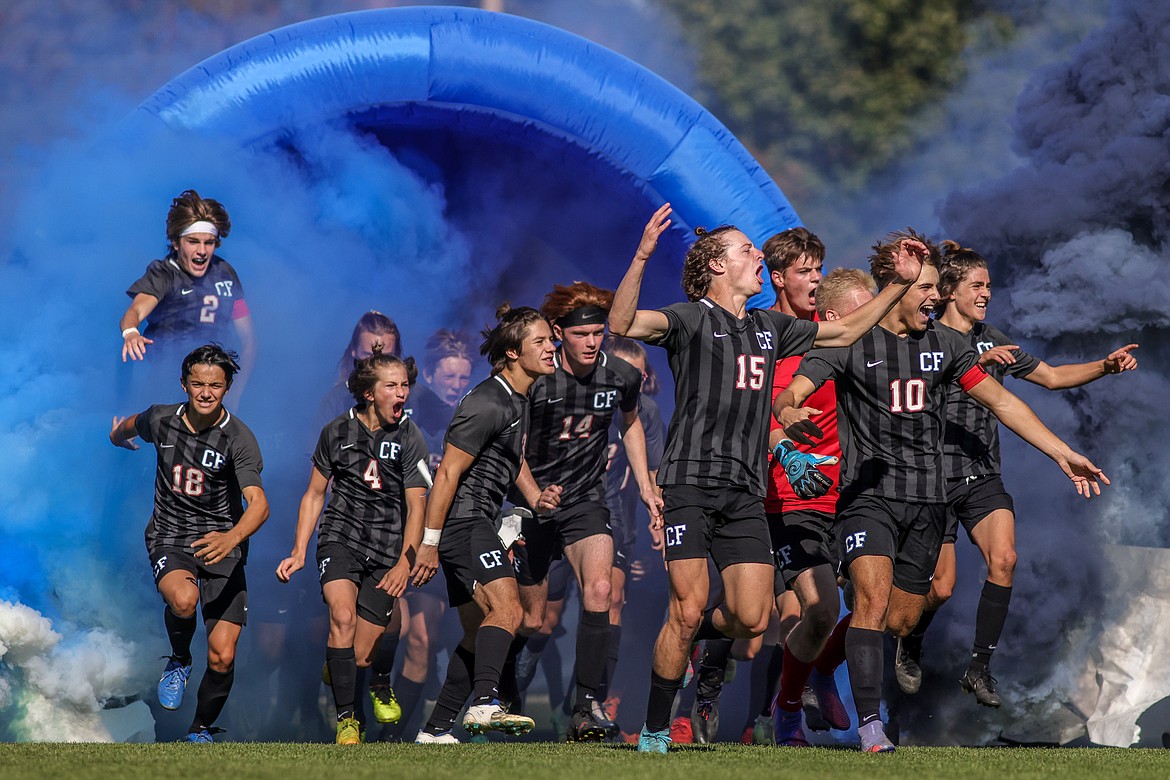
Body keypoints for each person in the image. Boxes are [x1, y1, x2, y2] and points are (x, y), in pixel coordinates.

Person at [775, 230, 1109, 752]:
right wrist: (791, 412)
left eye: (936, 287)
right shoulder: (850, 341)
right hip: (869, 497)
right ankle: (871, 730)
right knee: (870, 602)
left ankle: (822, 671)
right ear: (895, 287)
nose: (935, 297)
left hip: (929, 502)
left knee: (901, 616)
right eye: (924, 287)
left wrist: (1061, 452)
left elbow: (1003, 403)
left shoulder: (947, 346)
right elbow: (792, 392)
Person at [608, 204, 925, 754]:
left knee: (751, 619)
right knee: (687, 607)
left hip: (744, 492)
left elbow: (847, 327)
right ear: (715, 265)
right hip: (689, 484)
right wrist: (640, 256)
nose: (759, 256)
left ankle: (679, 639)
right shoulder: (688, 319)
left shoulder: (769, 327)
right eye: (747, 250)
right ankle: (657, 728)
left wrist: (897, 284)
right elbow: (621, 324)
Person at [893, 241, 1138, 707]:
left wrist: (1104, 367)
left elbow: (1051, 376)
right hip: (930, 478)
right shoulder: (922, 338)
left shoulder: (992, 336)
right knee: (940, 588)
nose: (986, 293)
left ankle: (979, 669)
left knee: (1004, 559)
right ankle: (911, 640)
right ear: (948, 290)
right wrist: (971, 367)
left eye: (989, 285)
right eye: (977, 285)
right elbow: (910, 397)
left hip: (982, 474)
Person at [511, 281, 662, 742]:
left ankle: (585, 707)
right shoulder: (536, 380)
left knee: (600, 589)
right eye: (583, 335)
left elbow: (632, 424)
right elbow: (510, 449)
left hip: (585, 503)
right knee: (533, 620)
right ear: (558, 333)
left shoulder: (620, 376)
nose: (593, 342)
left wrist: (644, 485)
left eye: (599, 333)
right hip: (531, 505)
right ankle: (499, 696)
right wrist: (536, 495)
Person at [414, 304, 562, 743]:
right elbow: (446, 474)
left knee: (480, 633)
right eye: (541, 342)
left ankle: (435, 731)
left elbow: (509, 457)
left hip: (477, 521)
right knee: (511, 610)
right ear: (514, 352)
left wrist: (535, 497)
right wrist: (429, 543)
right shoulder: (487, 401)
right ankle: (484, 704)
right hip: (463, 524)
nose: (552, 347)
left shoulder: (519, 397)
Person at [110, 344, 269, 743]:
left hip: (223, 543)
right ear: (184, 383)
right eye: (197, 383)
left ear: (227, 387)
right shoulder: (162, 419)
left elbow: (260, 505)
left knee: (223, 654)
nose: (204, 392)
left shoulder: (239, 438)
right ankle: (179, 660)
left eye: (214, 385)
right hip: (171, 536)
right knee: (183, 600)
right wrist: (116, 435)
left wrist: (231, 537)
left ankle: (200, 730)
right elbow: (131, 424)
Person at [276, 348, 432, 744]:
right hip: (340, 538)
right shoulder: (336, 432)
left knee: (360, 655)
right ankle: (348, 720)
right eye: (392, 386)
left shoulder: (411, 436)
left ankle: (350, 667)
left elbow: (418, 507)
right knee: (341, 618)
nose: (402, 393)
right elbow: (314, 495)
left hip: (387, 547)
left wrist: (405, 563)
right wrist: (298, 550)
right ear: (368, 393)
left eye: (405, 385)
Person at [383, 328, 474, 740]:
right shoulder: (406, 414)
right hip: (391, 536)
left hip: (437, 541)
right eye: (449, 378)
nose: (456, 387)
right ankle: (354, 713)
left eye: (463, 379)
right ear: (432, 376)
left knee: (422, 638)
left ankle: (393, 740)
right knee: (386, 632)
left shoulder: (471, 416)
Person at [120, 190, 256, 396]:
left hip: (214, 384)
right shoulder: (164, 273)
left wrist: (235, 393)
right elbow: (135, 311)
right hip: (167, 381)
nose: (202, 251)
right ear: (176, 242)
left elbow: (249, 339)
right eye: (193, 241)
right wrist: (131, 333)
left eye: (209, 243)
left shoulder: (225, 273)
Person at [316, 312, 403, 429]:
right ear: (354, 351)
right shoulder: (336, 401)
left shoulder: (416, 398)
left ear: (396, 355)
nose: (377, 364)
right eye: (368, 355)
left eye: (385, 357)